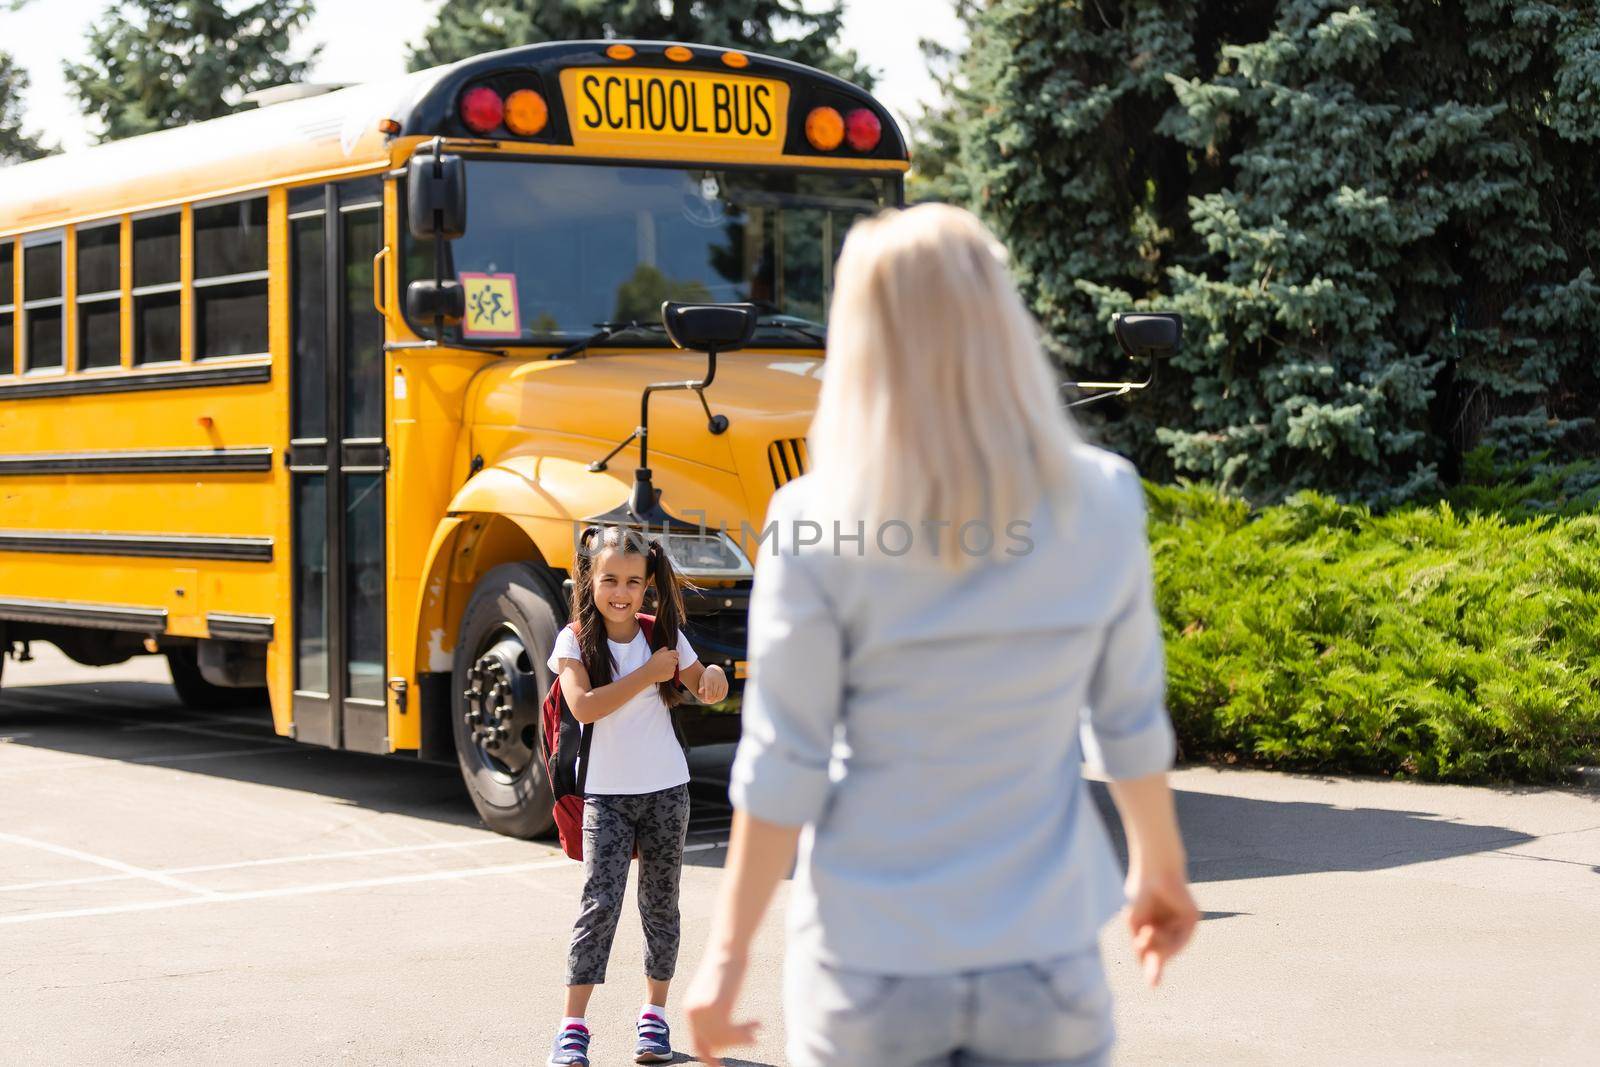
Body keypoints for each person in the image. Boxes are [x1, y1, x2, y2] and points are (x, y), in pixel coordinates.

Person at [682, 204, 1199, 1066]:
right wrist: (1159, 870)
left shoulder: (812, 519)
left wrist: (723, 965)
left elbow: (785, 759)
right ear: (1000, 320)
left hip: (869, 959)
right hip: (1045, 956)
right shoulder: (1101, 497)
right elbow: (1128, 719)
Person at [546, 525, 729, 1067]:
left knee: (660, 905)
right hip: (606, 796)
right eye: (609, 580)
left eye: (632, 581)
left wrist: (714, 678)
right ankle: (572, 1027)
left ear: (648, 584)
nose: (620, 592)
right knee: (599, 906)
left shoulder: (663, 634)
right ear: (589, 580)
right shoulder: (574, 639)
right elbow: (583, 707)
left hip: (667, 792)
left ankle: (654, 1018)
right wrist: (649, 673)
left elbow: (701, 684)